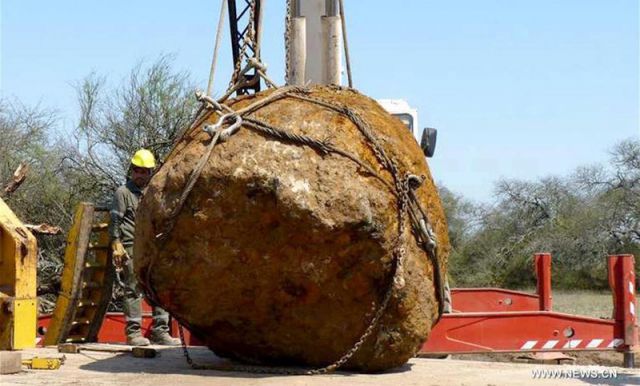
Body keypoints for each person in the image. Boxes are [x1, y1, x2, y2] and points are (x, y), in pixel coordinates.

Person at [109, 149, 179, 346]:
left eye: (144, 171)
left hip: (152, 247)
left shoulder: (154, 192)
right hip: (131, 246)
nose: (139, 175)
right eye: (136, 171)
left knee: (158, 287)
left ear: (151, 172)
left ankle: (160, 331)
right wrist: (116, 243)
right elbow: (115, 219)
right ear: (132, 171)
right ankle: (133, 334)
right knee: (132, 288)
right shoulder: (123, 193)